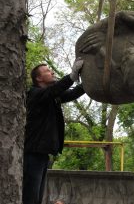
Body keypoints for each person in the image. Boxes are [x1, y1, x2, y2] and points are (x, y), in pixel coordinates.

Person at [22, 58, 85, 204]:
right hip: (32, 154)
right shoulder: (34, 93)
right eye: (47, 71)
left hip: (42, 154)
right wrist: (72, 75)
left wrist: (88, 82)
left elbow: (71, 93)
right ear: (39, 78)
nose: (51, 71)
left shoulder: (51, 95)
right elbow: (55, 90)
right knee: (30, 197)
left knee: (37, 197)